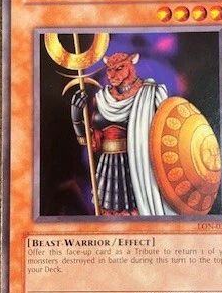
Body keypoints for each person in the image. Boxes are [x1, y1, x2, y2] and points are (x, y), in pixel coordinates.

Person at [71, 52, 176, 216]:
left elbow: (167, 135)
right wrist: (76, 117)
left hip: (139, 168)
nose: (112, 75)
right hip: (108, 168)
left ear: (132, 63)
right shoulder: (102, 98)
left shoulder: (151, 94)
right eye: (109, 69)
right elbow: (91, 142)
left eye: (119, 68)